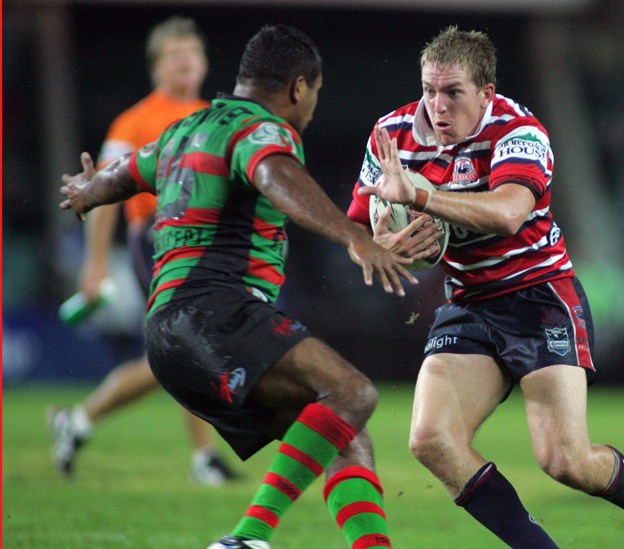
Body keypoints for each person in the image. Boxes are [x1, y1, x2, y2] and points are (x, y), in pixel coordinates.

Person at [59, 24, 416, 549]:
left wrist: (89, 191)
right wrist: (352, 236)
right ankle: (246, 538)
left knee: (342, 430)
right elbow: (274, 176)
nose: (312, 108)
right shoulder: (263, 132)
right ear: (298, 88)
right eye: (314, 94)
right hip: (216, 311)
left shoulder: (186, 129)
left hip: (166, 334)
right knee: (352, 391)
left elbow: (124, 174)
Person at [347, 27, 624, 549]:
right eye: (429, 90)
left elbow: (509, 212)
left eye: (453, 92)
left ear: (486, 93)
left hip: (539, 297)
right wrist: (381, 244)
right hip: (468, 303)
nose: (437, 106)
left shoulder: (520, 130)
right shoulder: (391, 134)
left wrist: (420, 196)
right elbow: (359, 227)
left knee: (565, 462)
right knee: (431, 440)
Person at [48, 16, 240, 485]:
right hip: (156, 243)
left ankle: (77, 421)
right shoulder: (133, 122)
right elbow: (99, 193)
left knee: (175, 355)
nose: (185, 64)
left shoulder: (213, 116)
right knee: (184, 348)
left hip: (205, 244)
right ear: (156, 67)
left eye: (191, 54)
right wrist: (94, 264)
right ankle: (204, 459)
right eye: (175, 56)